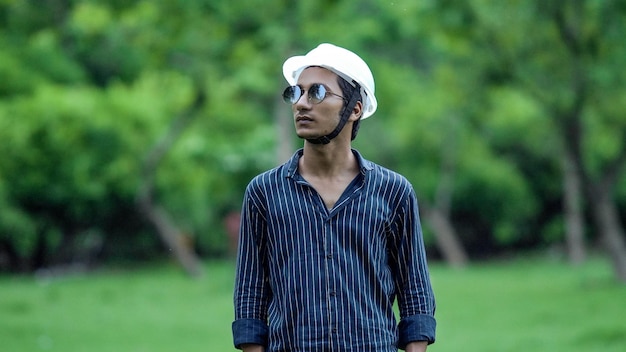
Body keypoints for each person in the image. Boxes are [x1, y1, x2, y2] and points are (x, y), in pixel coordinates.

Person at [232, 43, 436, 352]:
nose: (301, 103)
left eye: (316, 93)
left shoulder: (393, 191)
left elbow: (415, 292)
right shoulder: (264, 192)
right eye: (295, 93)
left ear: (355, 108)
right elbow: (250, 295)